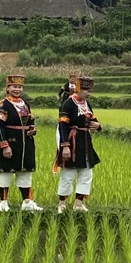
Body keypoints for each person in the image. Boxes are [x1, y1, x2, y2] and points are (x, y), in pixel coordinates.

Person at [0, 74, 41, 212]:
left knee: (25, 172)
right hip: (11, 142)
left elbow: (30, 122)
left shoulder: (25, 104)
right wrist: (4, 145)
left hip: (26, 143)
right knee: (6, 172)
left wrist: (33, 129)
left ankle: (27, 201)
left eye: (19, 87)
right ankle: (3, 202)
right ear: (8, 88)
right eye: (14, 86)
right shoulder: (3, 105)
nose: (17, 89)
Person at [55, 74, 101, 213]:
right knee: (68, 174)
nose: (89, 93)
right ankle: (62, 203)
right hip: (72, 141)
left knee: (86, 173)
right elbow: (62, 126)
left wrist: (98, 126)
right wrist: (65, 146)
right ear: (79, 89)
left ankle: (78, 203)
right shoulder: (68, 103)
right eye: (87, 90)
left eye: (90, 90)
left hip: (85, 141)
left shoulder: (86, 104)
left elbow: (94, 119)